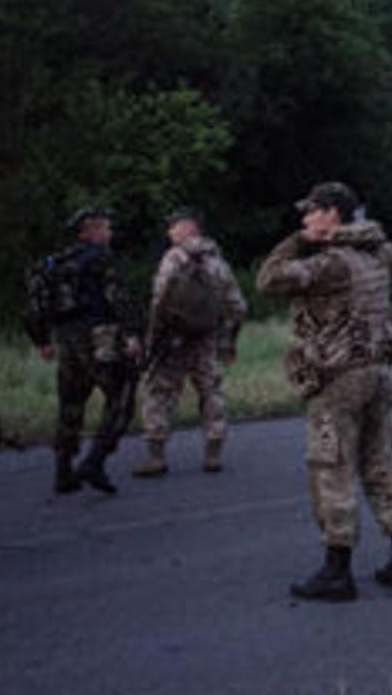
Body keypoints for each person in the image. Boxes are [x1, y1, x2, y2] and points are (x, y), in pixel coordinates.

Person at [257, 181, 392, 602]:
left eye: (312, 212)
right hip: (377, 370)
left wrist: (299, 241)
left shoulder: (331, 263)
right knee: (379, 463)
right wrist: (369, 236)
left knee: (330, 466)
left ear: (332, 214)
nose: (305, 220)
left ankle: (337, 569)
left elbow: (268, 280)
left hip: (337, 376)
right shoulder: (379, 253)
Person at [24, 207, 143, 495]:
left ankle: (63, 471)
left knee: (71, 403)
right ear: (90, 231)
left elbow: (34, 305)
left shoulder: (57, 262)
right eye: (105, 228)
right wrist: (132, 334)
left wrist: (41, 339)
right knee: (121, 396)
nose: (110, 233)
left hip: (66, 339)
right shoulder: (100, 258)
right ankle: (95, 461)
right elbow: (119, 297)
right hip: (98, 335)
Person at [135, 208, 247, 478]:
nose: (169, 232)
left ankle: (156, 456)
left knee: (160, 394)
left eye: (173, 227)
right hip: (207, 339)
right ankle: (213, 453)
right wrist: (228, 341)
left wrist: (150, 336)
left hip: (172, 340)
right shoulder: (219, 263)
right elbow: (238, 307)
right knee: (211, 393)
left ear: (188, 228)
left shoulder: (173, 258)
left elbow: (159, 300)